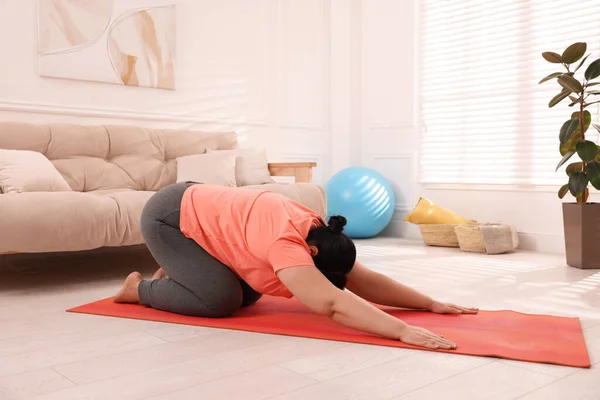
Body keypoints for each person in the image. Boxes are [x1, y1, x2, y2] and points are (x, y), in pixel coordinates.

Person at [114, 182, 478, 350]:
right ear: (311, 256)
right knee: (220, 300)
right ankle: (139, 288)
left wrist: (428, 303)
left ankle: (182, 276)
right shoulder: (285, 243)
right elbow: (331, 303)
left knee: (248, 295)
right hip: (170, 217)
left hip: (203, 212)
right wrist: (400, 331)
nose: (335, 283)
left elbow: (363, 281)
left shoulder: (319, 234)